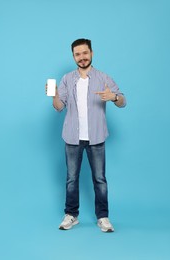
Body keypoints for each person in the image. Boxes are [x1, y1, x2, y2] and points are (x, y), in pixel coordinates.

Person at [47, 38, 126, 232]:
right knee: (71, 178)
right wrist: (55, 95)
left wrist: (114, 97)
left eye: (84, 53)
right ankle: (71, 215)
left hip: (96, 136)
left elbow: (123, 101)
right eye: (77, 54)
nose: (81, 57)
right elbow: (58, 107)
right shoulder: (67, 79)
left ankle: (103, 217)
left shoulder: (104, 78)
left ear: (91, 53)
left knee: (100, 178)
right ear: (73, 56)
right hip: (72, 138)